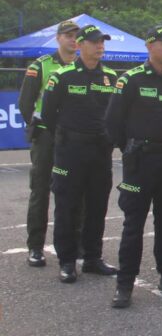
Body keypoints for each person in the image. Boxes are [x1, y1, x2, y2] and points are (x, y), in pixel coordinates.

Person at [106, 25, 162, 308]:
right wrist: (128, 147)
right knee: (134, 223)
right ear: (150, 46)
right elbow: (112, 121)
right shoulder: (130, 80)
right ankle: (125, 284)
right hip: (140, 161)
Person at [41, 24, 118, 283]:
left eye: (102, 42)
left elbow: (116, 114)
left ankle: (93, 257)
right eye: (95, 42)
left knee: (97, 205)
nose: (100, 46)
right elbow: (49, 115)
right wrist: (66, 139)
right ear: (81, 44)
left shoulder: (110, 76)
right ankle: (67, 260)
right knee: (67, 205)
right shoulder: (62, 76)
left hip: (100, 151)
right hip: (70, 151)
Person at [18, 19, 80, 267]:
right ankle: (35, 247)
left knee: (76, 193)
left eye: (76, 36)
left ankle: (75, 245)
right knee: (41, 191)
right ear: (58, 38)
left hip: (74, 139)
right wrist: (41, 129)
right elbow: (25, 104)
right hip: (46, 137)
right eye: (68, 35)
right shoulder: (41, 65)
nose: (73, 40)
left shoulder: (83, 66)